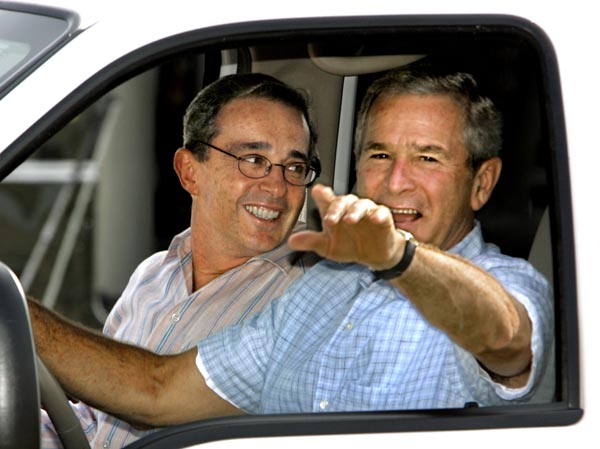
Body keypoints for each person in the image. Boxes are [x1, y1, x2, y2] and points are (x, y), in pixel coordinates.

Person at [30, 65, 553, 431]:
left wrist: (400, 257)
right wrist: (19, 314)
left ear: (482, 183)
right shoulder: (321, 290)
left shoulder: (505, 282)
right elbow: (158, 392)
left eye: (428, 158)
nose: (396, 183)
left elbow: (504, 337)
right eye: (379, 155)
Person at [39, 72, 321, 448]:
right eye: (254, 160)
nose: (277, 187)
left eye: (295, 167)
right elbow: (97, 424)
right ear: (190, 172)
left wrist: (23, 319)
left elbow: (154, 392)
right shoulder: (153, 274)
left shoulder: (310, 294)